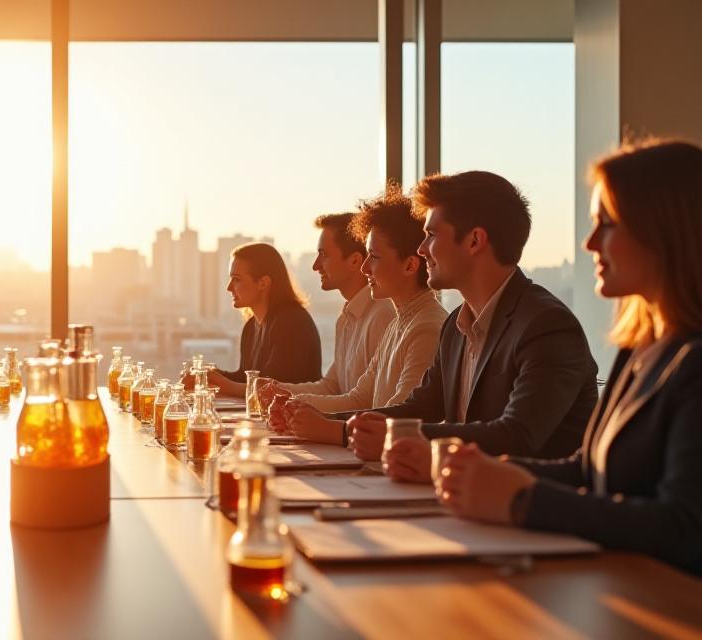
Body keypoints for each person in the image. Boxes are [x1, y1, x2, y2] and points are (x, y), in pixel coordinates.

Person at [433, 140, 702, 577]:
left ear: (665, 230)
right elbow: (589, 470)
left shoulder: (694, 362)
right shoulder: (641, 348)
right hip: (617, 588)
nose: (590, 242)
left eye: (607, 224)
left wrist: (523, 499)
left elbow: (685, 528)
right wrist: (487, 471)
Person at [346, 171, 598, 462]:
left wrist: (396, 436)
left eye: (430, 235)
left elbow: (515, 436)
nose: (421, 249)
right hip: (462, 497)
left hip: (524, 503)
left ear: (474, 240)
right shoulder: (455, 327)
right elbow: (420, 407)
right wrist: (335, 425)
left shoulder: (547, 326)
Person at [271, 188, 447, 444]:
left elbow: (401, 421)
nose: (365, 268)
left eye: (373, 258)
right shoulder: (400, 322)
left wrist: (323, 424)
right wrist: (296, 406)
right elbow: (360, 399)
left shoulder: (426, 327)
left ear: (410, 265)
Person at [274, 212, 392, 399]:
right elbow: (331, 387)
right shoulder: (346, 317)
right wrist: (277, 390)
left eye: (324, 254)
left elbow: (367, 403)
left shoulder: (383, 316)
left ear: (354, 261)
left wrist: (296, 404)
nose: (315, 265)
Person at [205, 242, 321, 397]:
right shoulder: (251, 326)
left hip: (295, 418)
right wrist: (207, 375)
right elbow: (244, 378)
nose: (229, 287)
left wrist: (220, 383)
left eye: (236, 279)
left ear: (263, 283)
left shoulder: (291, 323)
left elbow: (271, 390)